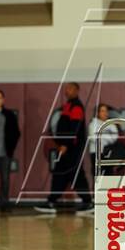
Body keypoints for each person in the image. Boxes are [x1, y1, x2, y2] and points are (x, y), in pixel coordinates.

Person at [35, 82, 93, 214]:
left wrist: (65, 144)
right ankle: (51, 202)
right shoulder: (68, 106)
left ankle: (88, 202)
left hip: (72, 149)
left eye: (71, 89)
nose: (67, 91)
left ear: (77, 91)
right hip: (65, 148)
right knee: (59, 175)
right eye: (66, 89)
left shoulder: (77, 107)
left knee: (76, 175)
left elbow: (74, 128)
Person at [0, 89, 21, 212]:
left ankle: (4, 204)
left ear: (3, 100)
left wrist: (10, 148)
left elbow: (16, 133)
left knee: (5, 180)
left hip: (5, 155)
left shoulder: (9, 115)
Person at [88, 103, 118, 177]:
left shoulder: (111, 124)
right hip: (96, 154)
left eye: (106, 111)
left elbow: (114, 138)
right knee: (98, 177)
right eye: (102, 111)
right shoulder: (93, 124)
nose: (105, 113)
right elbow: (93, 138)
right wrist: (107, 136)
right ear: (98, 113)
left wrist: (101, 136)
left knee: (109, 176)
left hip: (108, 154)